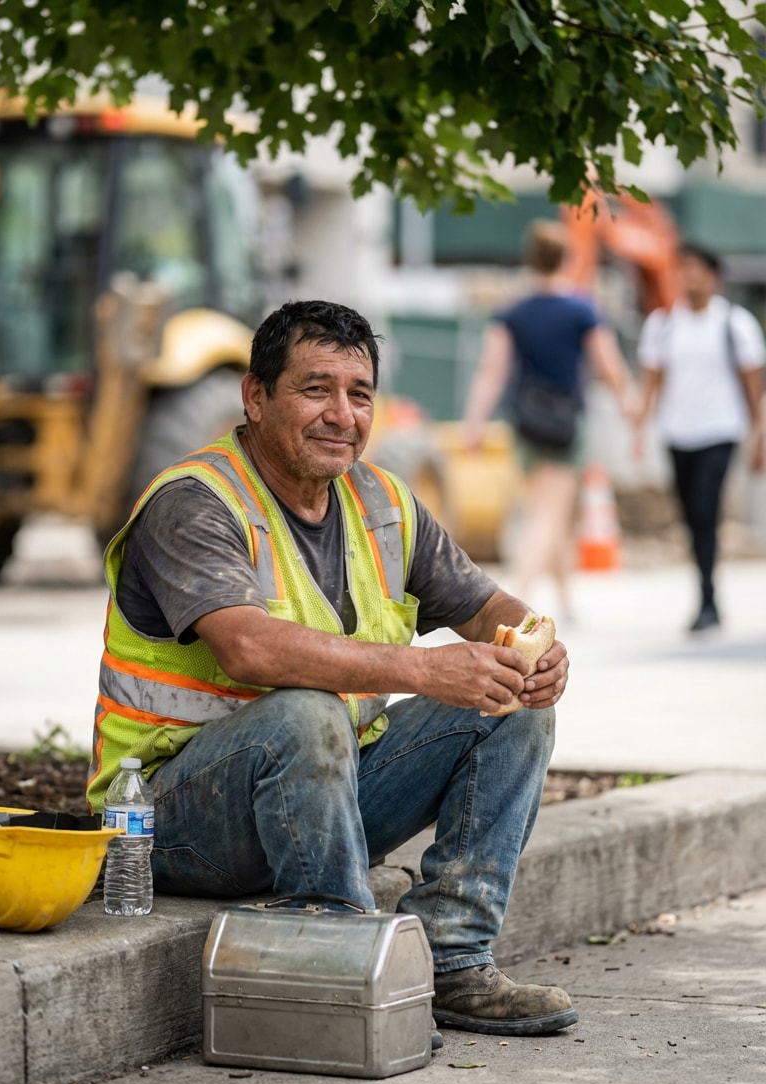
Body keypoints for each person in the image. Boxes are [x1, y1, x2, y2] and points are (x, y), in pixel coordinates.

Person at [88, 299, 577, 1037]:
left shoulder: (381, 501)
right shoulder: (194, 503)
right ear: (255, 396)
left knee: (512, 699)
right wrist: (425, 668)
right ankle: (344, 971)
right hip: (169, 823)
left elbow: (486, 608)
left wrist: (532, 646)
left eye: (359, 395)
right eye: (316, 390)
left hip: (319, 796)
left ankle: (453, 960)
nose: (341, 415)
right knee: (307, 710)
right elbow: (247, 648)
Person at [462, 219, 633, 618]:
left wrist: (474, 424)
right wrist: (629, 404)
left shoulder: (512, 311)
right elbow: (608, 365)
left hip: (525, 422)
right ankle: (516, 602)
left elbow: (492, 370)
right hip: (565, 424)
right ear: (565, 258)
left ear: (530, 259)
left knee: (549, 508)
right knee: (548, 513)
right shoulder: (580, 308)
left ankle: (567, 600)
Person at [634, 243, 765, 632]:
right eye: (684, 270)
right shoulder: (664, 325)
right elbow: (652, 381)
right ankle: (705, 590)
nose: (690, 278)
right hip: (678, 433)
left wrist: (759, 432)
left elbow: (751, 385)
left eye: (698, 271)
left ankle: (707, 599)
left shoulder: (735, 324)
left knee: (706, 512)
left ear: (714, 278)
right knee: (691, 516)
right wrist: (639, 429)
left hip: (720, 431)